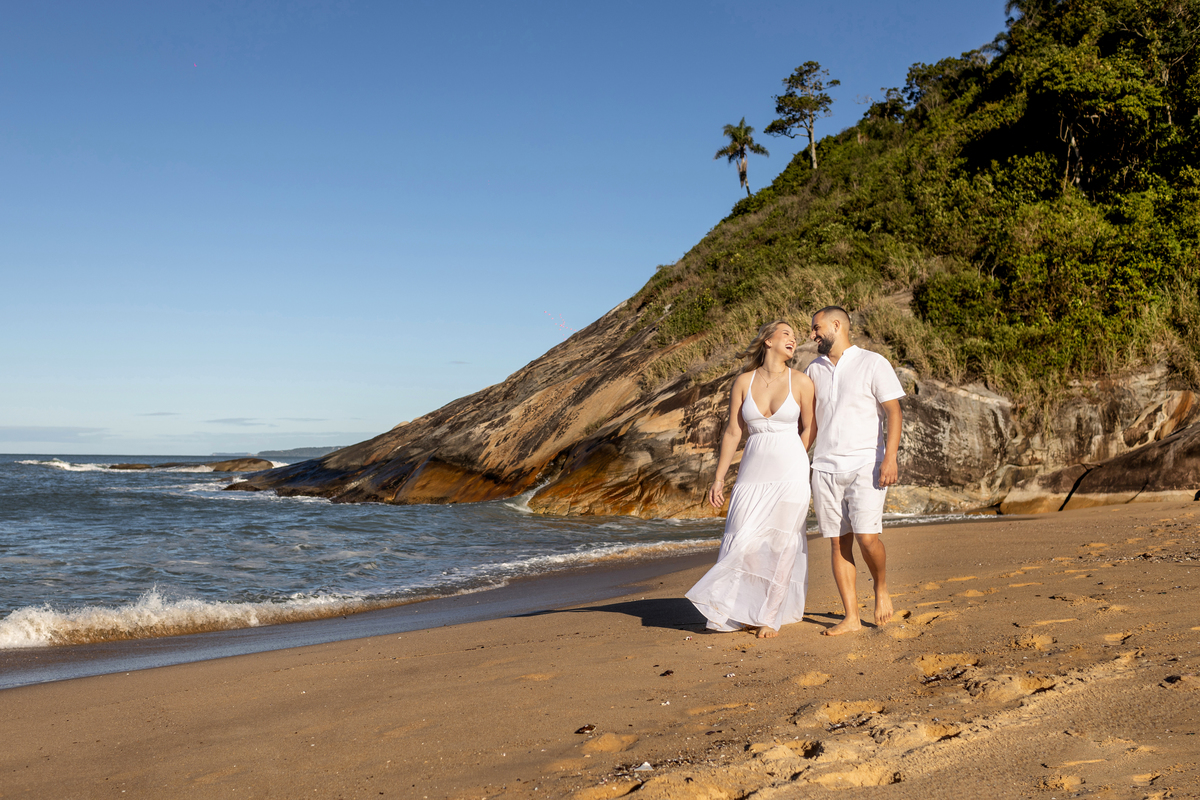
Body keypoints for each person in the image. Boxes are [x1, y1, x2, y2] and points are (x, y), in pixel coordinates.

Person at [686, 320, 816, 638]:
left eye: (795, 336)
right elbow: (733, 431)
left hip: (791, 472)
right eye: (786, 333)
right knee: (744, 540)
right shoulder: (744, 382)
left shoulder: (801, 381)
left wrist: (796, 458)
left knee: (783, 543)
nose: (793, 338)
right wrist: (719, 478)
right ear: (768, 340)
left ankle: (769, 616)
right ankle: (745, 607)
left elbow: (810, 427)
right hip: (752, 473)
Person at [805, 306, 904, 636]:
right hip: (824, 467)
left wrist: (890, 458)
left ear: (836, 325)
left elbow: (894, 411)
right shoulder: (813, 369)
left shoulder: (873, 362)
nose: (812, 335)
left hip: (866, 463)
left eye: (816, 328)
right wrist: (798, 458)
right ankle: (851, 617)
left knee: (867, 538)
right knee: (838, 543)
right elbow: (812, 423)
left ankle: (881, 586)